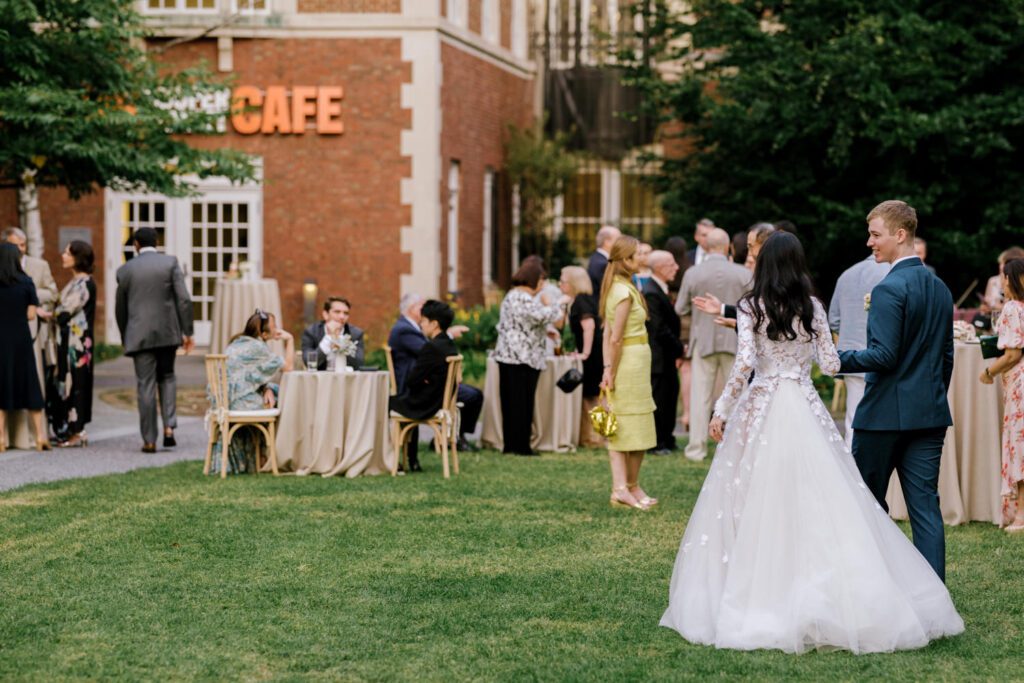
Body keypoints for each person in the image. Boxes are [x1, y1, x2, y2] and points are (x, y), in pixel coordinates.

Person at [661, 231, 964, 653]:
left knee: (752, 494)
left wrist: (722, 409)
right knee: (819, 494)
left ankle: (761, 586)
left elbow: (746, 362)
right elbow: (831, 362)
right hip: (803, 405)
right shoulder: (813, 306)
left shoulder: (751, 306)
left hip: (764, 404)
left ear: (765, 264)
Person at [839, 200, 955, 582]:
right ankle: (934, 597)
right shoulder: (940, 288)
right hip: (929, 414)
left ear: (900, 235)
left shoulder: (888, 288)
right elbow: (946, 357)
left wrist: (836, 359)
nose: (869, 242)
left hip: (883, 417)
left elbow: (884, 356)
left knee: (867, 504)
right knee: (925, 508)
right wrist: (931, 396)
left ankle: (873, 588)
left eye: (875, 234)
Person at [675, 228, 752, 461]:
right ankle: (739, 444)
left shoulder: (693, 273)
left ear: (706, 248)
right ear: (728, 247)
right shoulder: (743, 273)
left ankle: (696, 448)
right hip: (735, 340)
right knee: (738, 394)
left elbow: (681, 308)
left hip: (703, 341)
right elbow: (752, 307)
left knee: (701, 396)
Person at [115, 227, 194, 453]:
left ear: (136, 245)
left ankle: (149, 440)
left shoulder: (125, 270)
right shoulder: (170, 263)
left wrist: (124, 335)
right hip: (168, 333)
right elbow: (184, 299)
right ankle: (169, 427)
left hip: (138, 336)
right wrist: (187, 331)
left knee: (145, 385)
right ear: (157, 242)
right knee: (167, 377)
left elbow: (120, 308)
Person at [386, 293, 482, 457]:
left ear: (434, 323)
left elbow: (412, 380)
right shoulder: (449, 344)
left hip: (427, 402)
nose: (422, 323)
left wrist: (423, 379)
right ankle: (408, 456)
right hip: (441, 398)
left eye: (424, 320)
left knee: (383, 403)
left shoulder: (431, 347)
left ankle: (391, 456)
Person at [600, 235, 658, 508]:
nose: (642, 258)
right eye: (638, 254)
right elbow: (614, 337)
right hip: (629, 363)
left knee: (638, 426)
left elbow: (609, 333)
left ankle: (631, 486)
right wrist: (610, 369)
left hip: (635, 360)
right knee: (624, 425)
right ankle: (620, 487)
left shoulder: (624, 287)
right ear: (625, 260)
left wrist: (608, 366)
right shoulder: (622, 292)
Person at [492, 259, 567, 455]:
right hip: (520, 357)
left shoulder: (514, 296)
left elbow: (527, 322)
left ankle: (513, 444)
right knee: (520, 403)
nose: (542, 287)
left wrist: (545, 331)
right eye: (541, 282)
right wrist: (555, 304)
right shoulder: (521, 297)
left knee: (515, 402)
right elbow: (541, 316)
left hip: (515, 356)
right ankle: (519, 446)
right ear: (533, 280)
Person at [211, 309, 294, 475]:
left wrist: (266, 387)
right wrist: (289, 339)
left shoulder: (237, 342)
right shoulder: (258, 347)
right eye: (274, 325)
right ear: (263, 334)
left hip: (225, 402)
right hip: (238, 403)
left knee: (274, 393)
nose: (277, 328)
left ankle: (260, 457)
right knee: (285, 398)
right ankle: (271, 456)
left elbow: (250, 376)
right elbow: (288, 368)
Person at [828, 253, 891, 448]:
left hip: (852, 359)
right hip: (885, 359)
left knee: (853, 422)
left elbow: (834, 321)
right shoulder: (893, 273)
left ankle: (852, 472)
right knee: (886, 423)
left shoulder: (846, 275)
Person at [3, 227, 58, 447]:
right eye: (16, 245)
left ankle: (13, 438)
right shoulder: (24, 282)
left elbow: (53, 292)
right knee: (25, 384)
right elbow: (30, 310)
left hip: (19, 335)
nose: (20, 250)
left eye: (23, 245)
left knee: (10, 385)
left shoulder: (38, 267)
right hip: (22, 333)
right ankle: (34, 438)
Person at [980, 257, 1024, 531]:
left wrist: (989, 372)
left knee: (1019, 448)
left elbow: (1012, 354)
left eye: (1005, 279)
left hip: (1020, 384)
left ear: (1011, 280)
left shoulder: (1011, 308)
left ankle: (1021, 515)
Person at [43, 241, 97, 448]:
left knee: (76, 384)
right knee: (65, 383)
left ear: (78, 257)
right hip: (67, 342)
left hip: (78, 345)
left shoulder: (84, 284)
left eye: (67, 253)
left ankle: (77, 431)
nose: (63, 256)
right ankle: (68, 429)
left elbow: (64, 312)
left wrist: (46, 314)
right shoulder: (75, 282)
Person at [643, 251, 683, 454]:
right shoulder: (651, 291)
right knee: (659, 400)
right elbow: (659, 328)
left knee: (670, 397)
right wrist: (680, 347)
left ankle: (667, 438)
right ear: (659, 267)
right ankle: (657, 442)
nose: (676, 267)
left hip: (666, 356)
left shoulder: (659, 288)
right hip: (658, 357)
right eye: (671, 264)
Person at [559, 265, 604, 447]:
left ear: (572, 284)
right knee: (594, 397)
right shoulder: (580, 300)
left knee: (592, 398)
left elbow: (589, 327)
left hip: (592, 355)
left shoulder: (582, 302)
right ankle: (597, 435)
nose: (560, 285)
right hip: (593, 352)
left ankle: (597, 436)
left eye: (563, 281)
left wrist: (585, 352)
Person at [664, 236, 693, 432]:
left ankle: (679, 411)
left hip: (671, 319)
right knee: (687, 369)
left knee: (674, 369)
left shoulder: (666, 270)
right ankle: (687, 413)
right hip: (688, 323)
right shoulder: (689, 269)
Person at [301, 296, 365, 370]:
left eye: (346, 313)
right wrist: (329, 337)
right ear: (326, 314)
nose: (342, 316)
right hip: (319, 379)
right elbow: (308, 362)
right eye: (337, 312)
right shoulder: (311, 332)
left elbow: (359, 364)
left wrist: (339, 341)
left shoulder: (355, 333)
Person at [981, 246, 1024, 316]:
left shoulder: (1014, 284)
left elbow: (1011, 308)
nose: (1001, 266)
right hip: (993, 319)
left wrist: (993, 304)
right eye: (1000, 263)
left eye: (1005, 263)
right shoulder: (993, 281)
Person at [587, 225, 621, 297]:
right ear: (607, 242)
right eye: (618, 240)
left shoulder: (598, 258)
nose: (621, 243)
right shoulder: (602, 264)